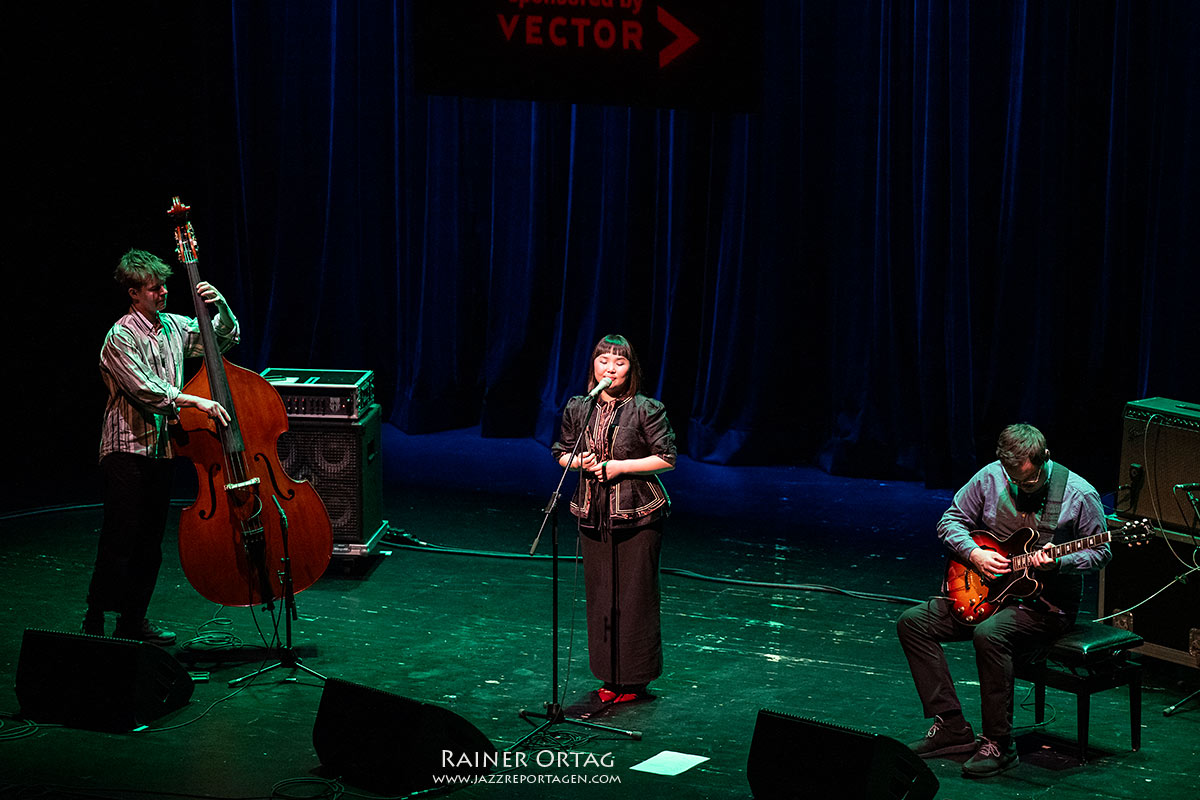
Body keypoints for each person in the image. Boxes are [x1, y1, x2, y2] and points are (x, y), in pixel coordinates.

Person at [896, 423, 1111, 778]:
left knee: (990, 634)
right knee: (913, 622)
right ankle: (951, 726)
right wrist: (975, 554)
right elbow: (950, 521)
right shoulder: (990, 477)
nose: (1019, 487)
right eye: (1013, 480)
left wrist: (1060, 560)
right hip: (989, 593)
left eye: (1027, 481)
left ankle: (999, 743)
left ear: (1044, 461)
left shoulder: (1079, 494)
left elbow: (1101, 553)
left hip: (1046, 606)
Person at [84, 249, 238, 646]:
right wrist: (195, 401)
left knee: (150, 544)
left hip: (161, 450)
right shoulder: (119, 335)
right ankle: (96, 618)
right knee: (122, 537)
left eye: (165, 285)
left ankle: (133, 620)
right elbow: (143, 390)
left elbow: (217, 341)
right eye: (155, 289)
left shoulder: (173, 327)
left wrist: (220, 307)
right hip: (126, 448)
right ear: (134, 293)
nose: (164, 293)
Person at [552, 334, 676, 708]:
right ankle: (608, 675)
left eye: (619, 363)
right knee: (602, 599)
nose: (610, 368)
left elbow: (667, 457)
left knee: (633, 599)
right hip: (592, 512)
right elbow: (561, 451)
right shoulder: (579, 406)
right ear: (594, 365)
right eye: (604, 360)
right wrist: (579, 462)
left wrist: (619, 466)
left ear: (630, 369)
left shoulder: (645, 409)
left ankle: (634, 680)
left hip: (638, 514)